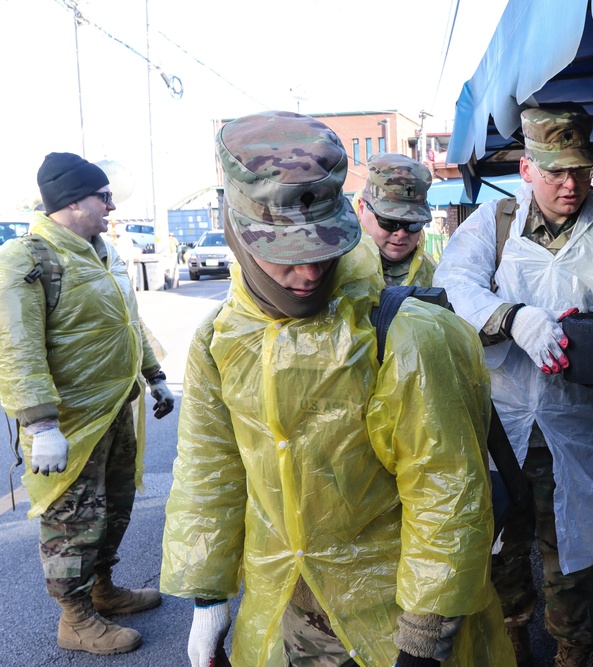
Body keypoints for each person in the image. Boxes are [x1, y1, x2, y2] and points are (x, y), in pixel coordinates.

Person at [159, 110, 513, 667]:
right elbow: (211, 467)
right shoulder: (222, 338)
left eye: (322, 251)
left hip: (392, 617)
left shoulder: (402, 332)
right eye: (283, 254)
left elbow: (445, 491)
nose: (307, 273)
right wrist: (208, 599)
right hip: (286, 613)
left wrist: (423, 639)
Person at [434, 105, 593, 666]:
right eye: (557, 171)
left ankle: (572, 650)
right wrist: (512, 318)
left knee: (576, 565)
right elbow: (452, 288)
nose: (570, 184)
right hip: (499, 430)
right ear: (528, 167)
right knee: (498, 553)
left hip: (579, 434)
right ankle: (511, 637)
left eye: (581, 171)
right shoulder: (493, 224)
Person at [0, 152, 175, 655]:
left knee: (114, 506)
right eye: (103, 196)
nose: (112, 205)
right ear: (73, 201)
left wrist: (154, 375)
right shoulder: (30, 258)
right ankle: (75, 618)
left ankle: (104, 590)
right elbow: (17, 347)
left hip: (114, 404)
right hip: (69, 421)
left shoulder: (101, 250)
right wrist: (41, 424)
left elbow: (127, 319)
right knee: (73, 518)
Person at [357, 153, 436, 287]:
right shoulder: (336, 268)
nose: (401, 233)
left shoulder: (434, 276)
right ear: (362, 209)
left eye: (413, 224)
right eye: (389, 222)